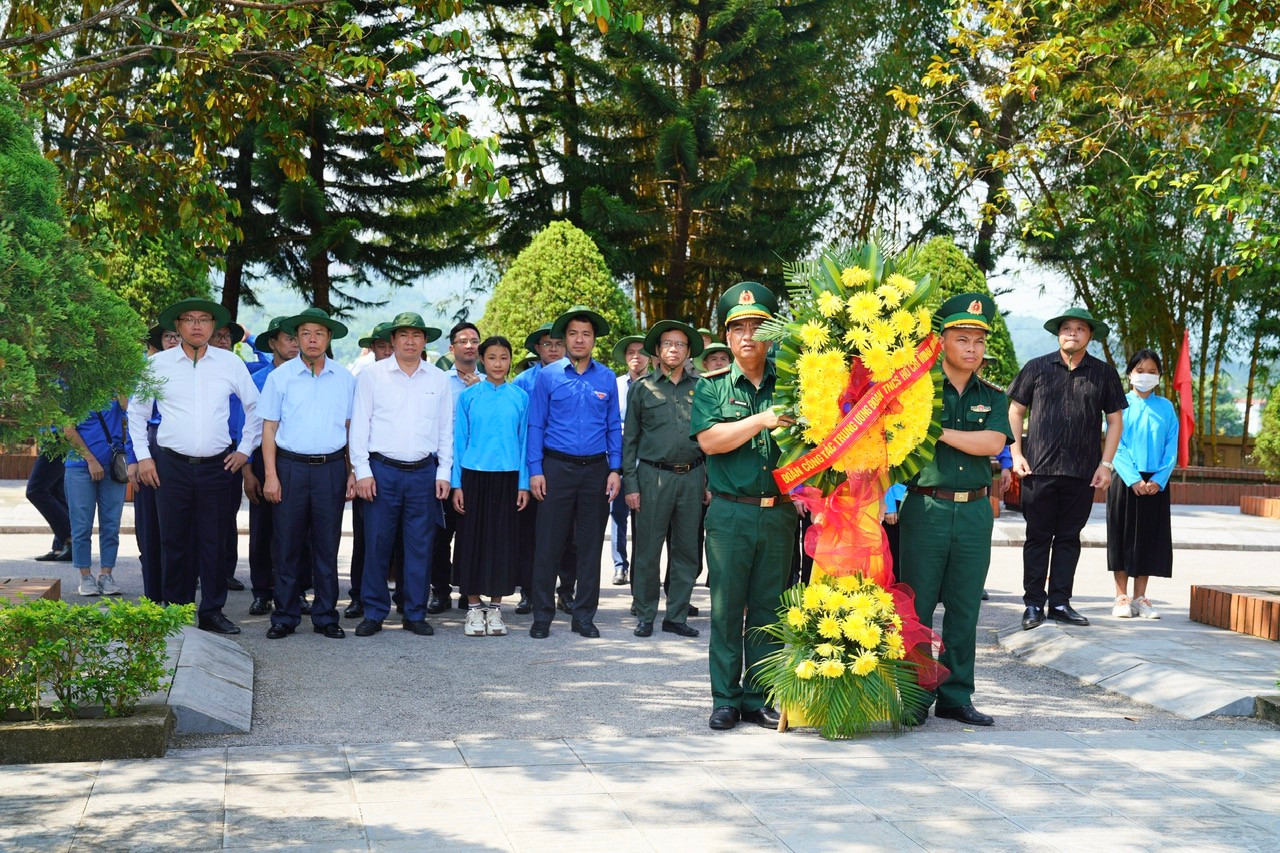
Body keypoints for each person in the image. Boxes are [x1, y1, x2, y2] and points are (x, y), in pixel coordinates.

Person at [898, 294, 1013, 727]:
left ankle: (956, 695)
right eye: (962, 339)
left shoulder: (993, 395)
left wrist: (937, 431)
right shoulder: (917, 389)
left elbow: (993, 444)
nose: (971, 348)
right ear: (942, 341)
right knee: (918, 607)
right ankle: (914, 694)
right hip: (925, 508)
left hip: (974, 512)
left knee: (965, 608)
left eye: (978, 341)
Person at [691, 282, 797, 731]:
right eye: (738, 327)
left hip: (779, 511)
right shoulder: (712, 387)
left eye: (757, 326)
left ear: (772, 333)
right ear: (727, 336)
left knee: (769, 608)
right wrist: (759, 420)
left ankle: (757, 697)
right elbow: (711, 441)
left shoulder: (794, 382)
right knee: (727, 607)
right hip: (730, 512)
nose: (748, 335)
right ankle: (725, 698)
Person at [127, 297, 262, 635]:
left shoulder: (230, 363)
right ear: (177, 327)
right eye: (189, 319)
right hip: (171, 465)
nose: (197, 325)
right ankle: (177, 610)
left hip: (219, 466)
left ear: (215, 327)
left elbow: (256, 409)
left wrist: (245, 449)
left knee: (214, 540)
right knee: (174, 539)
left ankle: (212, 611)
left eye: (205, 319)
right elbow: (137, 413)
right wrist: (143, 456)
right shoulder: (158, 366)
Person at [1009, 307, 1126, 630]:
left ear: (1090, 336)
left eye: (1080, 329)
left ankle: (1060, 602)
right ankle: (1033, 604)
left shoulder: (1103, 374)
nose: (1072, 333)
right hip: (1038, 470)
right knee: (1037, 538)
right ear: (1058, 334)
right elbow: (1015, 410)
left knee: (1069, 539)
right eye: (1067, 328)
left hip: (1082, 472)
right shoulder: (1036, 368)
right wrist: (1016, 453)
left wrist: (1106, 463)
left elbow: (1115, 420)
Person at [349, 312, 453, 637]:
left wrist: (445, 472)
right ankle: (375, 612)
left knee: (420, 545)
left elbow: (445, 430)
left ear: (425, 342)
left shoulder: (438, 379)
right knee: (377, 543)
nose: (410, 341)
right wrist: (362, 470)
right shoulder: (372, 376)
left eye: (417, 335)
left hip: (424, 472)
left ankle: (414, 612)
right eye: (403, 335)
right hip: (382, 471)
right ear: (392, 341)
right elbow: (360, 425)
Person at [526, 305, 623, 639]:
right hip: (555, 468)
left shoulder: (606, 377)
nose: (579, 339)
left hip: (596, 471)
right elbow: (535, 424)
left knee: (590, 545)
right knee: (548, 545)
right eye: (572, 334)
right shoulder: (548, 375)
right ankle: (542, 615)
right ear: (563, 339)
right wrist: (535, 470)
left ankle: (583, 615)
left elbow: (613, 427)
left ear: (594, 340)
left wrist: (615, 469)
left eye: (586, 334)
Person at [260, 308, 355, 640]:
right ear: (295, 338)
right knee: (286, 543)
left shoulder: (345, 378)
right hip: (290, 468)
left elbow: (349, 428)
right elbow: (269, 429)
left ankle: (326, 614)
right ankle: (285, 615)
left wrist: (352, 471)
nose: (312, 339)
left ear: (328, 338)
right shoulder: (280, 377)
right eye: (305, 333)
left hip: (331, 468)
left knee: (327, 544)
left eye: (319, 333)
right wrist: (270, 475)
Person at [622, 320, 704, 638]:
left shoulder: (702, 388)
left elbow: (709, 435)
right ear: (657, 350)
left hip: (693, 475)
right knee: (648, 550)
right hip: (653, 477)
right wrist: (631, 484)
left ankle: (677, 615)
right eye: (667, 343)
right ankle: (645, 614)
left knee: (686, 550)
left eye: (680, 344)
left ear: (687, 352)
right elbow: (629, 441)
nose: (673, 349)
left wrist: (708, 481)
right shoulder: (642, 388)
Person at [451, 336, 530, 637]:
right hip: (474, 476)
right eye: (492, 357)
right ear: (482, 360)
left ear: (510, 360)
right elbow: (460, 442)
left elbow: (525, 444)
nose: (498, 363)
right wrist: (457, 484)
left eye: (504, 357)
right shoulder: (469, 397)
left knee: (503, 542)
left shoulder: (520, 397)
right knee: (471, 541)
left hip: (509, 477)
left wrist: (523, 483)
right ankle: (473, 608)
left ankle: (495, 609)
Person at [1107, 349, 1177, 620]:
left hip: (1156, 481)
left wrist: (1158, 480)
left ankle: (1141, 598)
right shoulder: (1119, 404)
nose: (1145, 376)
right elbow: (1116, 443)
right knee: (1122, 537)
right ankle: (1121, 597)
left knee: (1149, 538)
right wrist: (1134, 478)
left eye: (1151, 371)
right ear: (1129, 374)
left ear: (1159, 376)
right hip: (1125, 478)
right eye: (1140, 371)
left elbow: (1172, 445)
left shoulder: (1167, 407)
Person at [512, 322, 573, 615]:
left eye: (557, 343)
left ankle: (566, 590)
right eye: (546, 344)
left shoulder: (573, 377)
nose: (552, 348)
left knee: (568, 534)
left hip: (566, 463)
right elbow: (520, 429)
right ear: (537, 349)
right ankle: (529, 591)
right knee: (531, 533)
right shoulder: (523, 381)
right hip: (532, 465)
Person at [345, 322, 402, 620]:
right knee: (366, 539)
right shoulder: (364, 378)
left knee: (405, 540)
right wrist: (355, 470)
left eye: (390, 346)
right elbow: (353, 428)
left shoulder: (411, 378)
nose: (387, 351)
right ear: (374, 349)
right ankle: (359, 597)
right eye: (382, 346)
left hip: (403, 470)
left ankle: (404, 596)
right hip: (368, 467)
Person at [429, 322, 483, 615]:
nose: (469, 345)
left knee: (472, 533)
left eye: (474, 340)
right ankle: (440, 590)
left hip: (477, 469)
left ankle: (469, 589)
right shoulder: (439, 381)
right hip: (443, 466)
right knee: (441, 533)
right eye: (462, 341)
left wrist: (482, 391)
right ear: (452, 348)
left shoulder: (490, 381)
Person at [63, 397, 135, 596]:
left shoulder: (117, 389)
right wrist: (91, 460)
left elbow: (132, 415)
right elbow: (68, 429)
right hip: (80, 467)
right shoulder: (75, 390)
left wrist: (123, 395)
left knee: (111, 524)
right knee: (81, 525)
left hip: (113, 465)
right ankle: (85, 576)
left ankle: (106, 574)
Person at [134, 324, 180, 600]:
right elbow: (135, 417)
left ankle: (177, 595)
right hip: (150, 445)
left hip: (180, 451)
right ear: (158, 343)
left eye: (177, 335)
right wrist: (135, 459)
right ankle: (153, 595)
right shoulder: (150, 369)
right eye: (168, 336)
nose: (174, 340)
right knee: (150, 526)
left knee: (178, 528)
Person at [211, 321, 250, 593]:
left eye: (228, 337)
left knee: (228, 514)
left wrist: (251, 338)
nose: (224, 340)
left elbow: (274, 358)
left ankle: (226, 571)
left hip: (233, 452)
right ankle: (202, 571)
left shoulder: (240, 368)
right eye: (219, 336)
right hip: (202, 450)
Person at [611, 334, 649, 586]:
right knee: (617, 515)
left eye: (640, 352)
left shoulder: (656, 385)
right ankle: (619, 565)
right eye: (630, 352)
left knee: (644, 518)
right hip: (620, 459)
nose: (636, 356)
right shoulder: (614, 385)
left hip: (647, 461)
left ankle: (640, 571)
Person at [26, 437, 72, 562]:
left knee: (35, 491)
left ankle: (71, 536)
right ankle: (61, 546)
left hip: (57, 440)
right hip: (53, 440)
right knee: (55, 492)